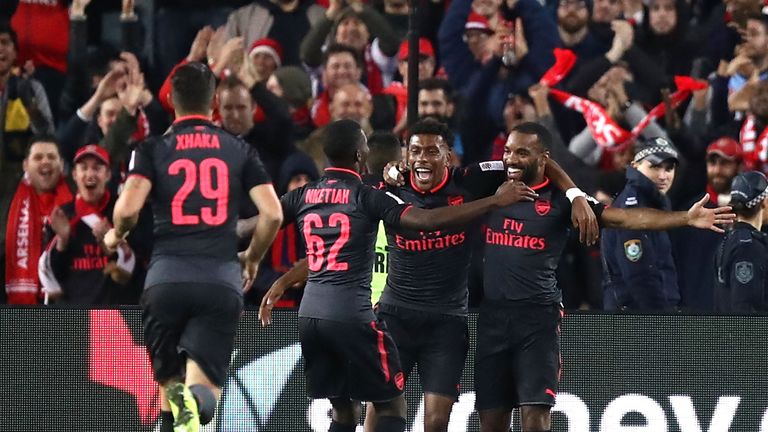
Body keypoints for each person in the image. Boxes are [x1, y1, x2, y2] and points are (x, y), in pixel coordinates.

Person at [257, 119, 539, 432]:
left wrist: (576, 195)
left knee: (435, 420)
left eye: (433, 151)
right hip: (395, 316)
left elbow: (532, 159)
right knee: (379, 411)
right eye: (415, 150)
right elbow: (335, 252)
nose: (423, 158)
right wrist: (284, 280)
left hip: (446, 320)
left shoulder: (470, 181)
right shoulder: (386, 190)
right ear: (404, 155)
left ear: (449, 156)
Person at [475, 122, 735, 432]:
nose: (511, 159)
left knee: (535, 420)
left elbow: (624, 217)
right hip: (492, 319)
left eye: (521, 152)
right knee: (491, 423)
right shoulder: (490, 184)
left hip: (537, 320)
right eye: (507, 151)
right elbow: (450, 175)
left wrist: (685, 218)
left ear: (543, 158)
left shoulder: (561, 201)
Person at [103, 62, 283, 432]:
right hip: (218, 281)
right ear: (214, 101)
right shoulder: (239, 149)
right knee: (201, 399)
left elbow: (128, 210)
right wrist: (251, 258)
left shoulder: (152, 149)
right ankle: (193, 400)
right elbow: (273, 214)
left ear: (170, 100)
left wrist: (114, 235)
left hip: (165, 280)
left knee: (172, 392)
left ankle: (180, 399)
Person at [38, 145, 137, 305]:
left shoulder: (123, 212)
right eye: (83, 168)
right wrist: (63, 240)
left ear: (108, 175)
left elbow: (136, 272)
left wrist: (114, 242)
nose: (90, 174)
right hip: (73, 316)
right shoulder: (61, 216)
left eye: (97, 168)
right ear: (75, 175)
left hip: (114, 316)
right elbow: (53, 282)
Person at [601, 137, 684, 311]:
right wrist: (663, 321)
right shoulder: (634, 206)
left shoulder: (653, 203)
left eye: (669, 168)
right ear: (635, 165)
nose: (663, 176)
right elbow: (639, 276)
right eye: (654, 166)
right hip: (637, 320)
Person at [4, 136, 72, 304]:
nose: (45, 162)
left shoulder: (76, 198)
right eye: (38, 157)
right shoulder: (8, 197)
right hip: (15, 307)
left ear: (62, 165)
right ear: (25, 165)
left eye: (51, 157)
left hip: (66, 303)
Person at [714, 171, 768, 312]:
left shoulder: (731, 239)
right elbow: (744, 307)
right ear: (764, 202)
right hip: (746, 333)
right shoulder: (748, 247)